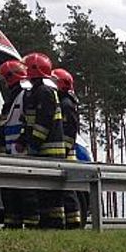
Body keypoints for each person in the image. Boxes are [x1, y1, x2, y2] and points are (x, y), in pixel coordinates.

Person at [19, 52, 69, 228]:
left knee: (52, 195)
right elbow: (29, 121)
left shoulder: (45, 92)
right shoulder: (33, 92)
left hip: (50, 152)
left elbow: (43, 123)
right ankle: (47, 225)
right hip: (41, 150)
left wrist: (33, 143)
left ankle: (55, 226)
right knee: (43, 192)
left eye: (27, 67)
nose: (24, 70)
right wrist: (23, 139)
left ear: (35, 70)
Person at [0, 59, 38, 228]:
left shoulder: (25, 94)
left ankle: (31, 225)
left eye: (4, 79)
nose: (4, 83)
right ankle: (12, 225)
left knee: (26, 191)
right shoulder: (14, 96)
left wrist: (23, 140)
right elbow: (6, 121)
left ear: (10, 77)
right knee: (10, 190)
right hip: (12, 150)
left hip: (22, 150)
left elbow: (30, 121)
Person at [51, 67, 83, 228]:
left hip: (66, 153)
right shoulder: (62, 102)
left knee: (68, 190)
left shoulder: (66, 104)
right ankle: (68, 222)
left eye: (55, 82)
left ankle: (74, 222)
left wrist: (65, 148)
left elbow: (70, 131)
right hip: (63, 151)